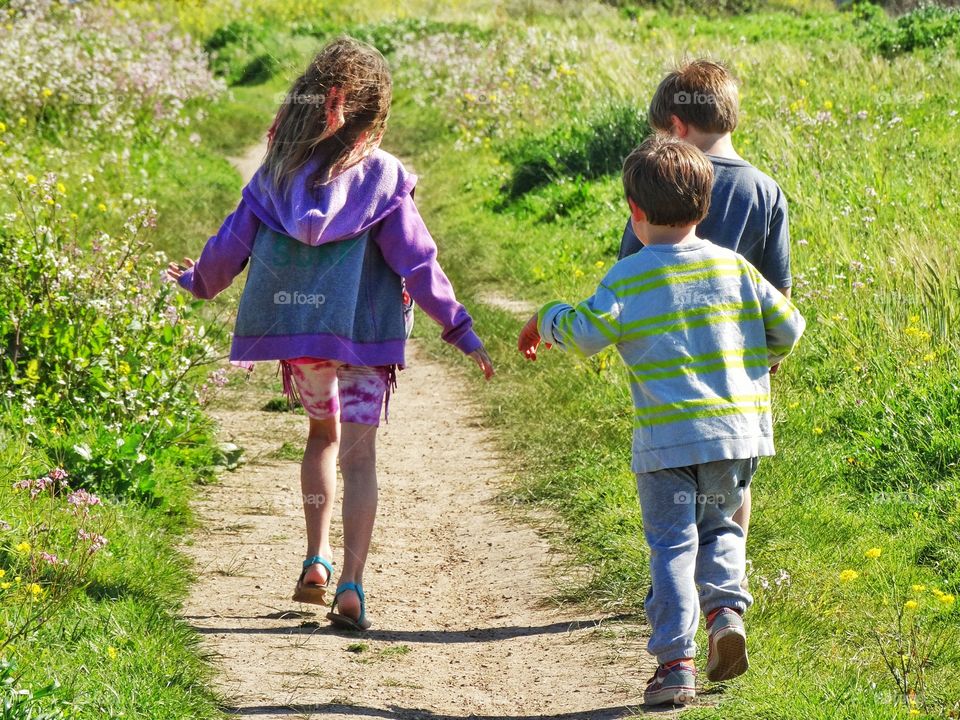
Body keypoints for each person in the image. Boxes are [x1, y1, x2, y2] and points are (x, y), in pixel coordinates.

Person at [167, 37, 494, 631]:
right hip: (365, 339)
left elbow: (228, 250)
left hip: (304, 340)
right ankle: (352, 584)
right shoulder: (384, 179)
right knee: (359, 457)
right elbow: (419, 264)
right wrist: (460, 329)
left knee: (321, 436)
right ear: (373, 120)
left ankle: (314, 558)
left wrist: (198, 283)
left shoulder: (275, 178)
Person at [517, 136, 804, 705]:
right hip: (734, 434)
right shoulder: (736, 267)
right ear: (704, 207)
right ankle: (725, 613)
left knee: (672, 545)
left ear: (635, 211)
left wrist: (546, 317)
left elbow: (586, 334)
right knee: (722, 527)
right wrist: (754, 359)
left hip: (667, 441)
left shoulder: (629, 276)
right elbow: (790, 327)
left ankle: (676, 666)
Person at [618, 59, 793, 541]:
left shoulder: (663, 179)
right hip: (736, 362)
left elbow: (629, 270)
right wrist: (769, 353)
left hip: (669, 362)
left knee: (671, 473)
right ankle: (726, 586)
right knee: (731, 481)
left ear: (677, 125)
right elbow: (779, 291)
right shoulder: (766, 190)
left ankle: (672, 574)